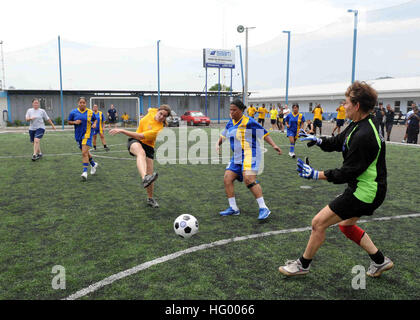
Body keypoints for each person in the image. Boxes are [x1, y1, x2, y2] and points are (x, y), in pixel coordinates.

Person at [279, 81, 393, 278]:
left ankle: (302, 265)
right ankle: (380, 261)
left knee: (318, 223)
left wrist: (316, 174)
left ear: (357, 105)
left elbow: (346, 173)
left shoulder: (365, 135)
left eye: (346, 102)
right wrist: (318, 140)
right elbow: (339, 141)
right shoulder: (360, 124)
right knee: (345, 225)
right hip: (369, 188)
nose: (343, 106)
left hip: (365, 191)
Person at [216, 99, 282, 220]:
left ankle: (264, 208)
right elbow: (223, 135)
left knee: (249, 179)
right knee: (227, 178)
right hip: (236, 157)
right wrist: (218, 144)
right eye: (230, 110)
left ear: (241, 110)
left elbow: (263, 133)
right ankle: (233, 208)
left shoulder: (249, 121)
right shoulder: (230, 123)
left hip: (250, 155)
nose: (231, 112)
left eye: (234, 110)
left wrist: (274, 145)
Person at [109, 105, 171, 208]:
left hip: (148, 146)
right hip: (135, 142)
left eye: (164, 116)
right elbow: (149, 109)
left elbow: (141, 135)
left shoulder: (159, 129)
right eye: (160, 113)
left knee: (151, 174)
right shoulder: (152, 111)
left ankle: (150, 198)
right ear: (157, 111)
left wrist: (122, 130)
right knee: (141, 153)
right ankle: (144, 177)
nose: (161, 117)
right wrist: (146, 113)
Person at [68, 97, 99, 181]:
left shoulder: (90, 112)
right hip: (78, 136)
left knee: (84, 153)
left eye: (83, 102)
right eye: (80, 102)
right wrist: (75, 122)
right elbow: (69, 121)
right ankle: (93, 164)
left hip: (88, 134)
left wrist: (95, 124)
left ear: (86, 103)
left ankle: (85, 172)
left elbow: (95, 120)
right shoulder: (73, 112)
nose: (82, 104)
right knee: (85, 152)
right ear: (78, 103)